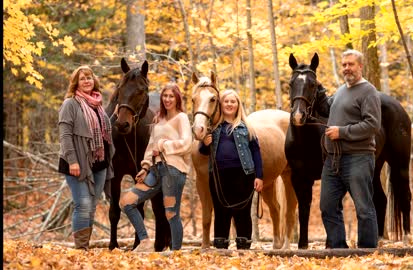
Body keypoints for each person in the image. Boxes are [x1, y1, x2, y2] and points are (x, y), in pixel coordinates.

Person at [119, 82, 192, 252]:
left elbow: (187, 143)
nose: (167, 99)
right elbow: (151, 146)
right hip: (155, 171)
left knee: (171, 213)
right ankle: (144, 241)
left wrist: (164, 144)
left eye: (171, 96)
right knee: (127, 202)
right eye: (165, 96)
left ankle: (176, 253)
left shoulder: (181, 118)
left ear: (177, 98)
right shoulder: (158, 119)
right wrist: (145, 167)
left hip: (173, 170)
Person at [320, 49, 381, 248]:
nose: (347, 68)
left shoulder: (368, 91)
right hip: (333, 160)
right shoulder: (340, 90)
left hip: (359, 157)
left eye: (351, 64)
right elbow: (326, 107)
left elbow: (372, 125)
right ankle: (338, 249)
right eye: (344, 64)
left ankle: (367, 251)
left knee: (364, 207)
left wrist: (342, 132)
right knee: (327, 206)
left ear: (360, 66)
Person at [58, 65, 115, 250]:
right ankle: (80, 249)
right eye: (82, 78)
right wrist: (73, 161)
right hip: (77, 162)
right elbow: (65, 135)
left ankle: (85, 247)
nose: (87, 81)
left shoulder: (97, 104)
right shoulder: (70, 104)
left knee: (91, 205)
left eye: (89, 77)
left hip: (99, 163)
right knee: (82, 204)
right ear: (76, 82)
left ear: (94, 80)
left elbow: (104, 133)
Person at [199, 89, 264, 250]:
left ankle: (244, 248)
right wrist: (205, 144)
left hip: (243, 174)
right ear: (221, 104)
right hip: (218, 176)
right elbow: (203, 152)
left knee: (242, 212)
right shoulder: (213, 127)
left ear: (237, 105)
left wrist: (259, 176)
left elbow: (256, 151)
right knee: (221, 211)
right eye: (226, 101)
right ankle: (221, 247)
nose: (229, 104)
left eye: (232, 101)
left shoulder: (246, 126)